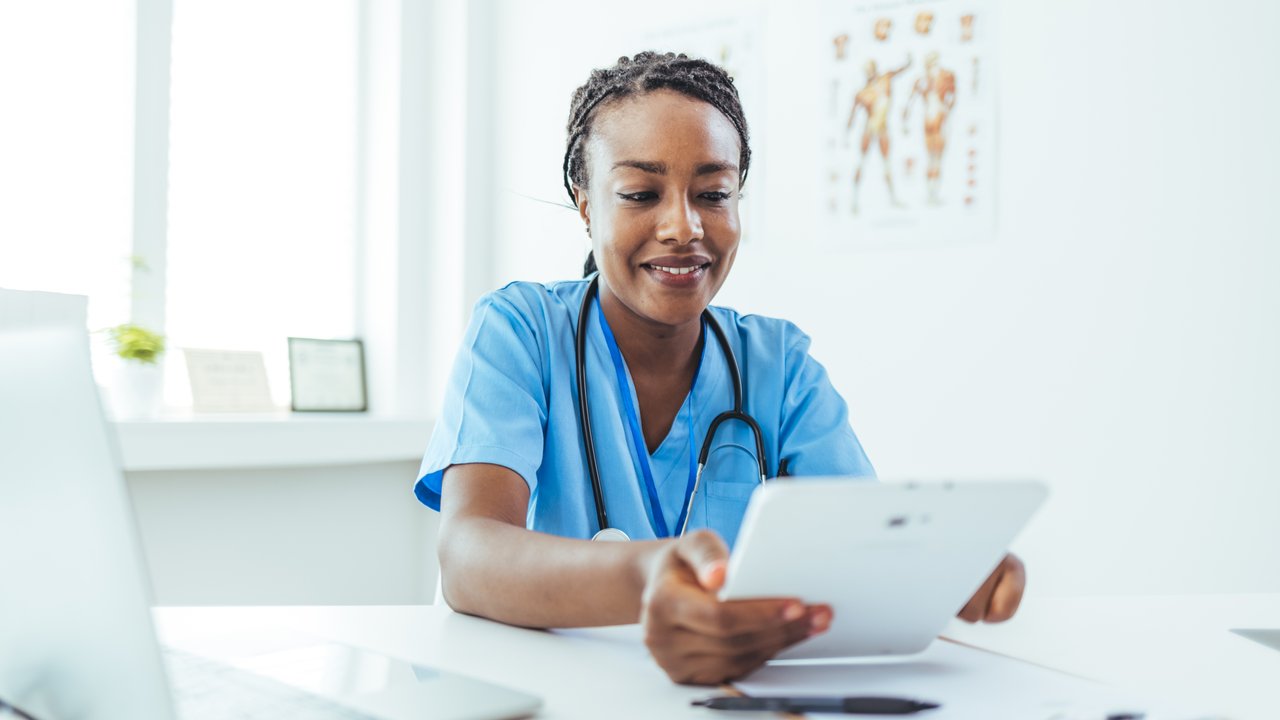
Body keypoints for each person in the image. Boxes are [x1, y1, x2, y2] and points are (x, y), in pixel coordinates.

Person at [415, 51, 1025, 686]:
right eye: (640, 194)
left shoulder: (779, 367)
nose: (683, 226)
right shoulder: (520, 331)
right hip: (544, 693)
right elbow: (468, 554)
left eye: (712, 195)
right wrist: (648, 576)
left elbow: (862, 547)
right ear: (586, 204)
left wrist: (943, 569)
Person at [846, 56, 912, 214]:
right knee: (861, 162)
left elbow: (899, 70)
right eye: (866, 71)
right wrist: (846, 135)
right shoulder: (862, 93)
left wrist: (908, 62)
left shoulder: (885, 79)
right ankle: (854, 200)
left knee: (886, 164)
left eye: (870, 69)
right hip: (869, 128)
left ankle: (893, 198)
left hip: (882, 128)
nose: (869, 73)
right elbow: (852, 115)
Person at [903, 52, 957, 205]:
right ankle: (931, 193)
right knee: (935, 158)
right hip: (935, 117)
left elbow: (952, 96)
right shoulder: (932, 78)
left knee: (933, 158)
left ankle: (932, 193)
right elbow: (911, 100)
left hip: (932, 115)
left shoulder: (940, 77)